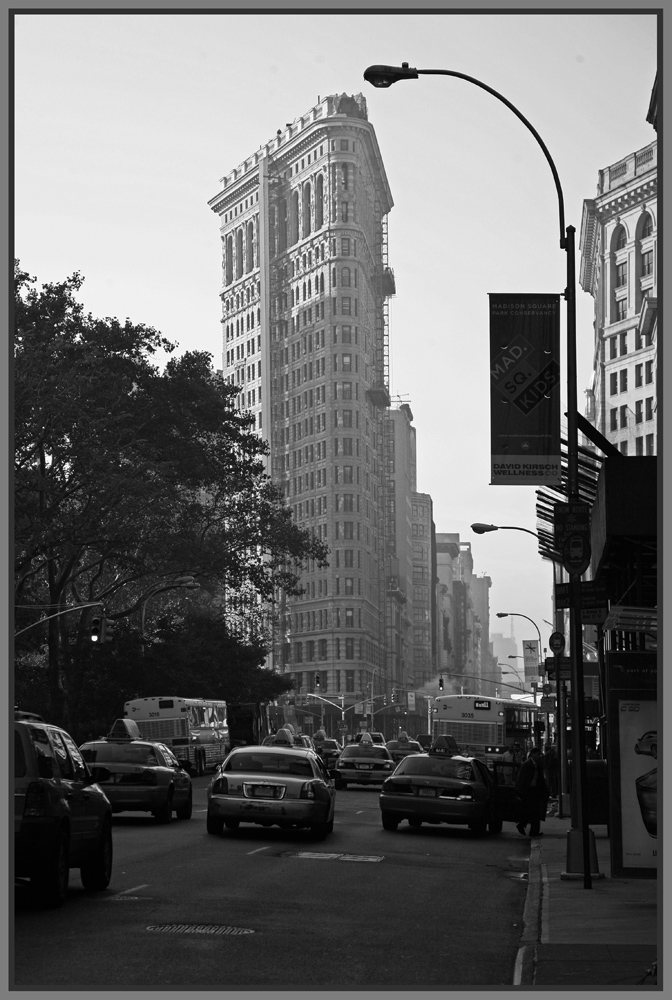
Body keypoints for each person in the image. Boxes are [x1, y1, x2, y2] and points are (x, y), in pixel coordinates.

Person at [516, 746, 549, 837]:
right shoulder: (527, 764)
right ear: (533, 754)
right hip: (528, 791)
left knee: (535, 812)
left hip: (535, 791)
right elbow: (521, 779)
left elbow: (540, 779)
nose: (540, 756)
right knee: (531, 811)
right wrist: (521, 791)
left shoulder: (537, 765)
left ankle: (533, 831)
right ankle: (523, 825)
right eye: (538, 754)